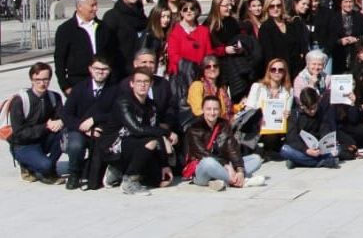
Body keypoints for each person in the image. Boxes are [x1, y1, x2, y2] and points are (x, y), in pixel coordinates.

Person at [114, 67, 178, 195]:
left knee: (161, 181)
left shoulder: (151, 105)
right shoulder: (124, 102)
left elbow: (154, 131)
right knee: (150, 142)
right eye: (138, 81)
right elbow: (137, 129)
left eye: (146, 81)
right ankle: (129, 180)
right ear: (132, 84)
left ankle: (124, 172)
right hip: (116, 143)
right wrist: (167, 133)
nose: (142, 85)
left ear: (151, 84)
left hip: (139, 143)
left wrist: (164, 164)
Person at [184, 95, 265, 190]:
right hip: (202, 170)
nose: (212, 113)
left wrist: (240, 170)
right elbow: (202, 154)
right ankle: (240, 182)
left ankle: (223, 180)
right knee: (208, 162)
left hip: (223, 165)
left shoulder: (224, 124)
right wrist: (226, 166)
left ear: (220, 110)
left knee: (256, 159)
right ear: (203, 110)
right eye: (208, 109)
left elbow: (233, 149)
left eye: (215, 109)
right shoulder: (194, 128)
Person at [59, 55, 113, 189]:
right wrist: (83, 127)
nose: (100, 72)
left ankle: (98, 171)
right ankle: (74, 173)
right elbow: (66, 114)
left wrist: (95, 120)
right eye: (97, 68)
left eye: (104, 69)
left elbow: (117, 113)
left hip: (103, 128)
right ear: (90, 69)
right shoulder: (79, 88)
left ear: (110, 70)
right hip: (79, 128)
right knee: (76, 145)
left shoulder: (114, 88)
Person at [6, 62, 65, 183]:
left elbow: (61, 118)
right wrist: (46, 126)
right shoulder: (20, 100)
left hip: (43, 140)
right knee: (45, 165)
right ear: (31, 80)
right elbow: (19, 133)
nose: (42, 83)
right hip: (23, 145)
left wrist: (60, 121)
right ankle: (29, 165)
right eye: (37, 80)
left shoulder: (54, 97)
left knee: (64, 134)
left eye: (45, 80)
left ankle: (49, 169)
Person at [280, 88, 340, 169]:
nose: (312, 111)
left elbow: (325, 129)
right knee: (285, 150)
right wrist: (306, 150)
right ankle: (322, 162)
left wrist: (327, 143)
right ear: (302, 105)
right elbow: (292, 138)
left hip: (318, 149)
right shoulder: (295, 114)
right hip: (302, 148)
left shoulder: (321, 112)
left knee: (337, 149)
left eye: (314, 107)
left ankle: (298, 161)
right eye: (308, 109)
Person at [54, 0, 101, 93]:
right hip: (78, 83)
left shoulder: (103, 27)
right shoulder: (66, 29)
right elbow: (59, 60)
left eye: (96, 5)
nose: (96, 8)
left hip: (103, 82)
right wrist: (65, 86)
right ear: (80, 7)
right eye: (92, 5)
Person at [100, 0, 148, 76]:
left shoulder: (142, 16)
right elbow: (105, 45)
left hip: (140, 69)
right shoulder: (112, 16)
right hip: (120, 70)